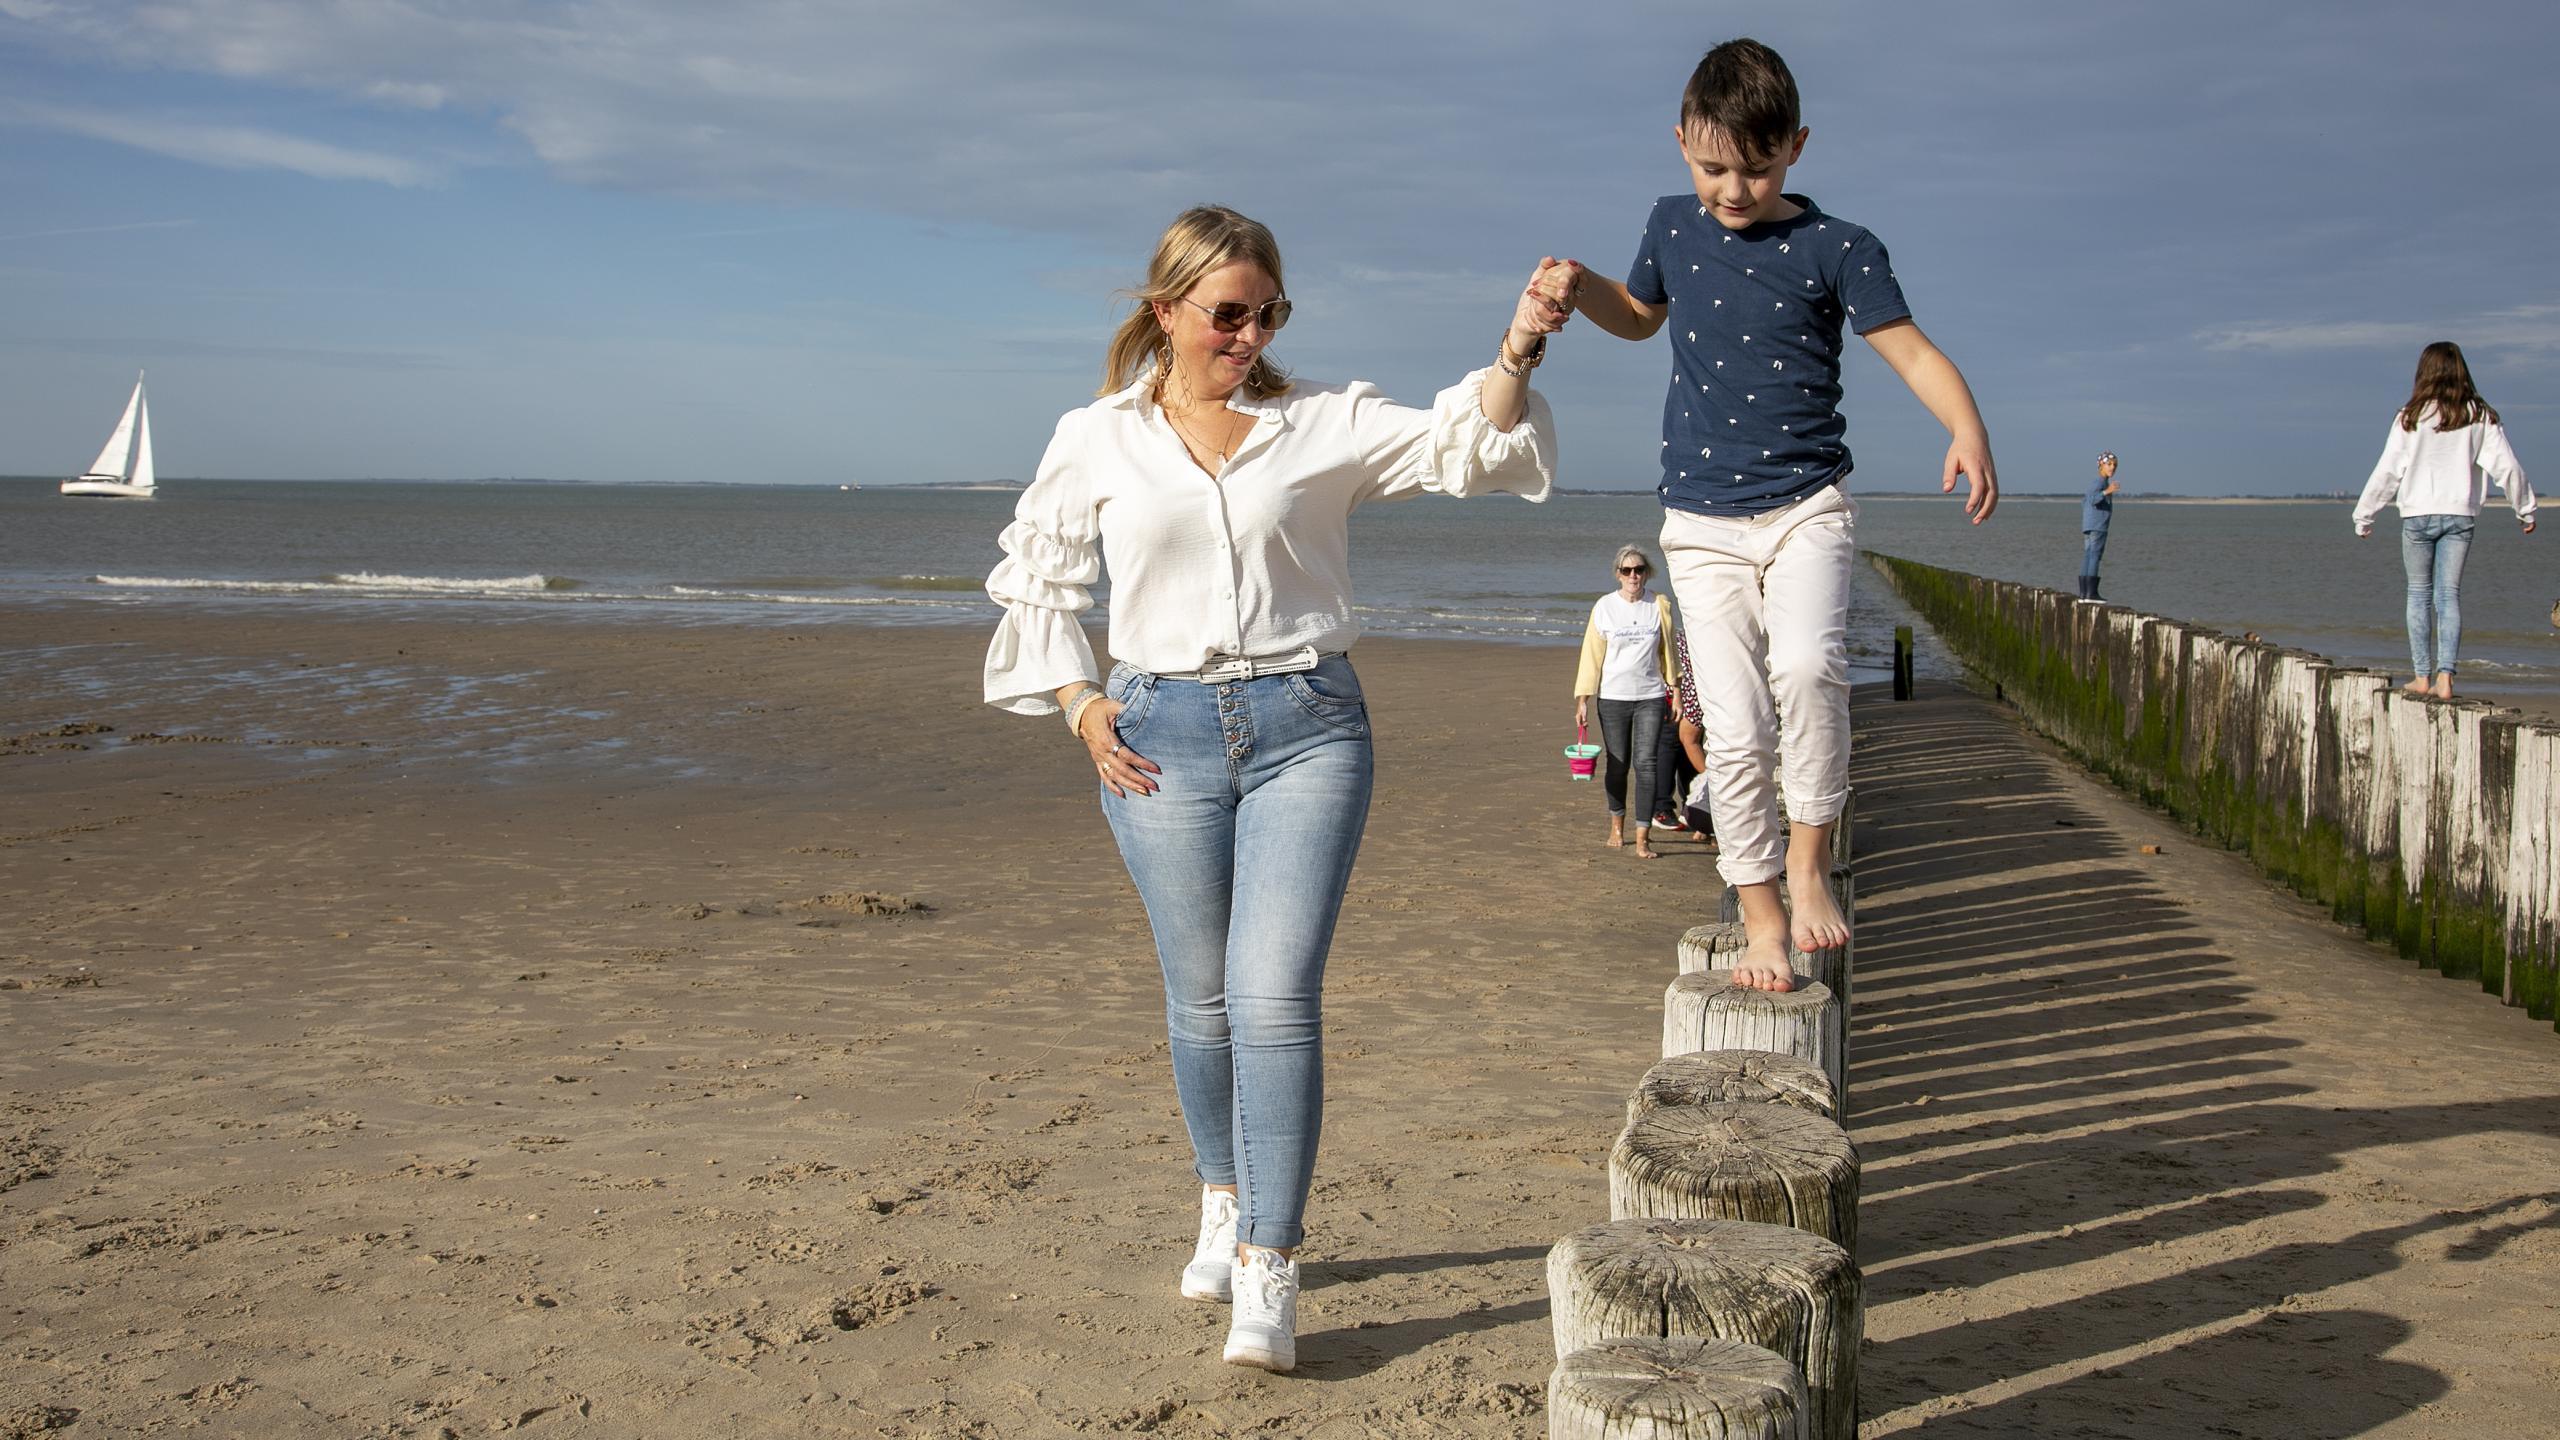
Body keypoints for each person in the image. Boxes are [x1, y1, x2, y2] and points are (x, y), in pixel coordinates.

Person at [982, 205, 1571, 1373]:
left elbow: (1469, 443)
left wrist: (1515, 351)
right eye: (1226, 314)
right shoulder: (1095, 437)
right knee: (1199, 999)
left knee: (1272, 997)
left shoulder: (1322, 425)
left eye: (1266, 314)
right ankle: (1219, 1197)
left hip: (1310, 727)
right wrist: (1080, 704)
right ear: (1166, 312)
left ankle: (1270, 1265)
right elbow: (1035, 581)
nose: (1248, 336)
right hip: (1156, 735)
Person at [1560, 38, 1997, 990]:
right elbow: (1639, 316)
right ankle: (1759, 912)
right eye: (1713, 166)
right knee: (1736, 721)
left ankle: (1809, 868)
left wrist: (1966, 427)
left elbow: (1913, 352)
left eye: (1755, 168)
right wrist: (1576, 285)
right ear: (1681, 143)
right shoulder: (1672, 225)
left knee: (1807, 669)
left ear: (1796, 146)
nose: (1733, 189)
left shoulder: (1840, 248)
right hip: (1701, 522)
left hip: (1807, 505)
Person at [2352, 341, 2536, 699]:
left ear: (2424, 372)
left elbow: (2387, 471)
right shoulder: (2478, 415)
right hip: (2459, 514)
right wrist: (2525, 509)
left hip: (2418, 514)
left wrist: (2365, 515)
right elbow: (2507, 467)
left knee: (2419, 594)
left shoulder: (2410, 415)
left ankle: (2422, 677)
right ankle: (2446, 678)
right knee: (2449, 596)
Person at [1574, 545, 1680, 860]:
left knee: (1646, 765)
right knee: (1618, 764)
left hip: (1650, 695)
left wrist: (1675, 691)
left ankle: (1643, 837)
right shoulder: (1604, 607)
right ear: (1618, 574)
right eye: (1626, 570)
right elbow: (1591, 656)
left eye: (1638, 570)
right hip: (1613, 697)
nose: (1633, 576)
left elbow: (1668, 652)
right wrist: (1583, 699)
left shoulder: (1659, 605)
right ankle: (1616, 827)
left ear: (1647, 572)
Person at [2079, 451, 2119, 600]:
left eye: (2115, 465)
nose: (2112, 467)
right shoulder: (2100, 482)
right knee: (2095, 555)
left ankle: (2084, 593)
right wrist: (2106, 492)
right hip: (2097, 526)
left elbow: (2084, 502)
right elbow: (2093, 500)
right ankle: (2091, 592)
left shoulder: (2097, 483)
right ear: (2101, 465)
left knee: (2089, 555)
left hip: (2090, 524)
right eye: (2109, 464)